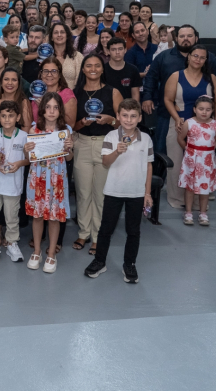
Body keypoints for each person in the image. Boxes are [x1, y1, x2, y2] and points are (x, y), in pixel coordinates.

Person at [84, 99, 154, 284]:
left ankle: (129, 264)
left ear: (139, 118)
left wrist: (147, 193)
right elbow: (105, 162)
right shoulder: (111, 136)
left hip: (136, 193)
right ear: (118, 116)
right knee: (105, 229)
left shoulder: (146, 139)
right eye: (125, 115)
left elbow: (149, 166)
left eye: (133, 116)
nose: (128, 120)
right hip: (114, 190)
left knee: (133, 231)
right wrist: (117, 152)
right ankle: (100, 261)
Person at [142, 25, 216, 154]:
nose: (186, 39)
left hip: (203, 116)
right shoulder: (163, 57)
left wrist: (215, 119)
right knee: (164, 151)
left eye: (189, 36)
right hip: (169, 114)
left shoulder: (210, 58)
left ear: (196, 38)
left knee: (200, 153)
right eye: (182, 36)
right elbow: (151, 77)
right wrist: (147, 97)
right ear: (176, 38)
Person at [162, 44, 216, 209]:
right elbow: (168, 99)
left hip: (205, 127)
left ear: (206, 60)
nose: (198, 59)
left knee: (201, 164)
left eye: (202, 57)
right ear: (188, 57)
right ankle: (177, 199)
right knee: (176, 162)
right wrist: (176, 118)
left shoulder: (211, 78)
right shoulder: (176, 76)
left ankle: (198, 200)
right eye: (195, 56)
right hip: (180, 123)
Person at [72, 55, 122, 255]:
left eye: (97, 66)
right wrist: (82, 123)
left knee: (100, 194)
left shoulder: (113, 92)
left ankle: (97, 236)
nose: (93, 69)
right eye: (88, 66)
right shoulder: (75, 93)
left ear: (102, 69)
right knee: (83, 192)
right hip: (82, 144)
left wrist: (110, 120)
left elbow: (123, 123)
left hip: (105, 145)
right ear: (83, 69)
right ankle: (83, 232)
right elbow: (72, 125)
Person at [24, 93, 74, 273]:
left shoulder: (65, 130)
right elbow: (29, 158)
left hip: (57, 177)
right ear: (42, 110)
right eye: (48, 107)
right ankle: (37, 251)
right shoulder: (33, 130)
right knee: (37, 216)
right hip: (38, 177)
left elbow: (69, 158)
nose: (52, 111)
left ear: (60, 110)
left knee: (54, 217)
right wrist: (26, 150)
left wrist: (68, 148)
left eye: (56, 107)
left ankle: (51, 253)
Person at [0, 99, 29, 262]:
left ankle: (11, 242)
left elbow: (29, 160)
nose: (7, 119)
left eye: (11, 116)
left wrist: (19, 164)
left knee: (12, 217)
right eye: (3, 116)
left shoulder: (24, 137)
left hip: (13, 185)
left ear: (18, 117)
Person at [177, 95, 216, 226]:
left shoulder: (215, 125)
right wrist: (188, 150)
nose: (204, 112)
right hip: (192, 159)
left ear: (212, 110)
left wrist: (209, 149)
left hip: (207, 160)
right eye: (201, 109)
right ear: (195, 109)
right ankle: (188, 212)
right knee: (189, 187)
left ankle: (203, 213)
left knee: (205, 187)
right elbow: (180, 138)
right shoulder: (189, 123)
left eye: (208, 109)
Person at [104, 37, 141, 102]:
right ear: (108, 51)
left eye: (120, 49)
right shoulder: (102, 70)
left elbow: (135, 94)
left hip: (127, 106)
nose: (117, 52)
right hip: (107, 106)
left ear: (125, 50)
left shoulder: (133, 70)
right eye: (113, 49)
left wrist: (134, 107)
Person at [48, 22, 83, 89]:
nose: (59, 35)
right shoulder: (46, 56)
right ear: (51, 37)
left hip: (72, 94)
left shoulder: (77, 56)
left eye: (62, 32)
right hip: (50, 94)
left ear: (67, 36)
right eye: (56, 32)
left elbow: (80, 82)